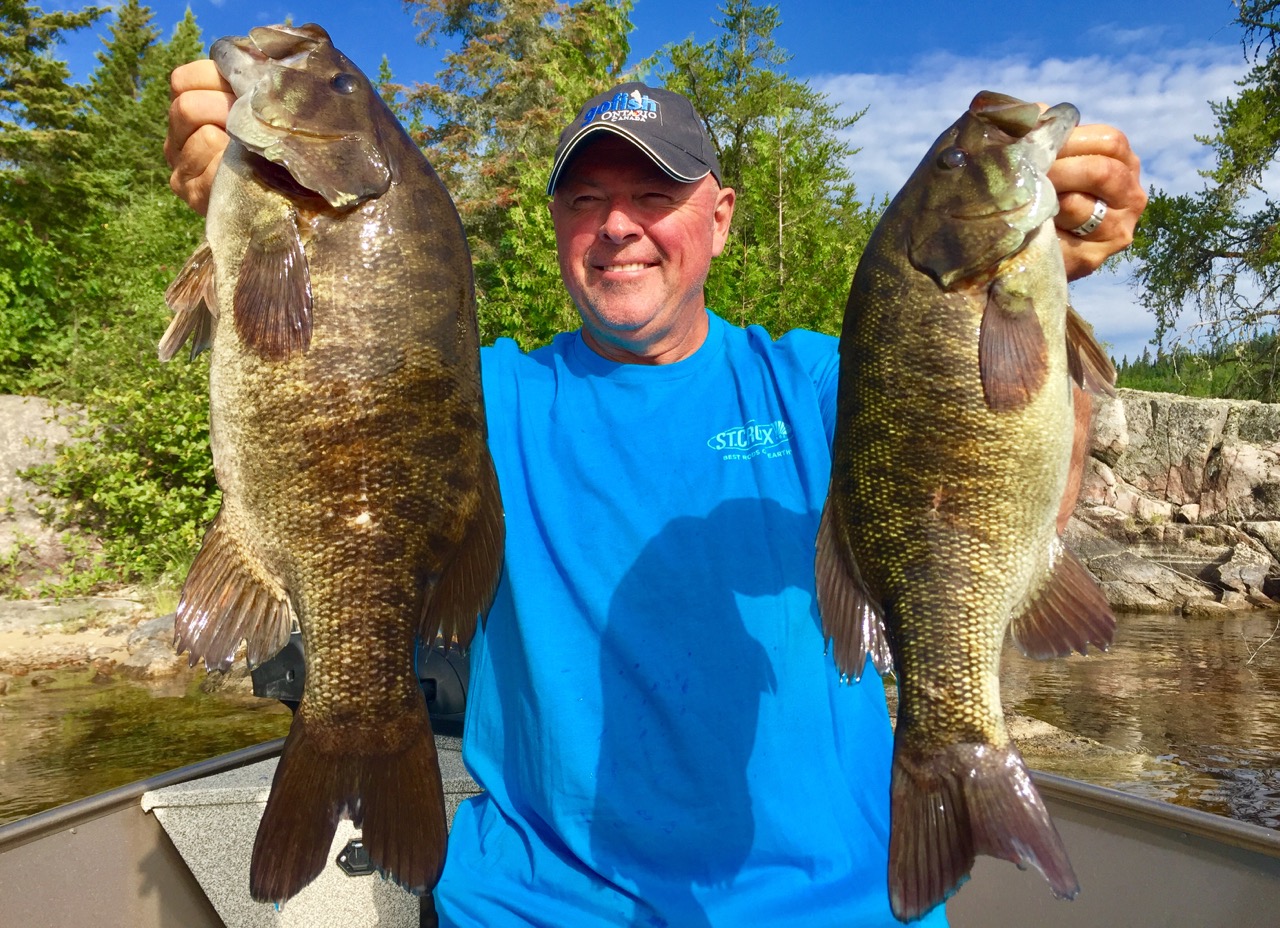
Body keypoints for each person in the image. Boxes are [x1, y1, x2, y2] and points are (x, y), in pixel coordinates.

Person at [166, 60, 1146, 927]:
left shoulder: (819, 385)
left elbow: (1006, 498)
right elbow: (331, 384)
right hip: (535, 905)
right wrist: (258, 232)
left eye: (654, 191)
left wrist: (1046, 293)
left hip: (832, 903)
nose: (618, 226)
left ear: (718, 218)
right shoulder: (481, 399)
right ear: (556, 224)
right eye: (587, 198)